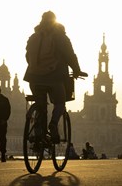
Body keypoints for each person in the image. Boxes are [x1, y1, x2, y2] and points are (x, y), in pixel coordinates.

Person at [23, 11, 87, 143]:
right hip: (54, 78)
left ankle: (38, 133)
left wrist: (36, 68)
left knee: (41, 105)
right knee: (60, 103)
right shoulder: (61, 37)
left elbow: (27, 57)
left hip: (33, 78)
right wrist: (77, 70)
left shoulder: (33, 37)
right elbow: (70, 56)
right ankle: (53, 125)